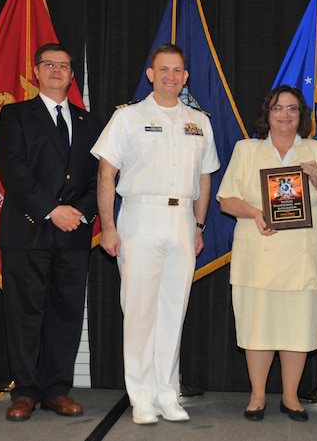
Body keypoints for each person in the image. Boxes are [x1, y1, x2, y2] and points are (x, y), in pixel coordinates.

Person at [91, 44, 220, 425]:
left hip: (181, 218)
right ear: (151, 74)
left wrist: (198, 226)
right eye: (163, 70)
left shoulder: (199, 121)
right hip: (139, 217)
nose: (170, 77)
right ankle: (142, 396)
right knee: (140, 312)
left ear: (186, 77)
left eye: (177, 70)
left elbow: (205, 177)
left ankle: (168, 392)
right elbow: (105, 175)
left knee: (172, 311)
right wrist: (108, 227)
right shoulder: (128, 118)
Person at [217, 85, 317, 422]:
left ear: (301, 114)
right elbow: (226, 199)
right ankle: (257, 395)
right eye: (278, 108)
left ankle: (291, 397)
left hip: (304, 257)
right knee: (257, 325)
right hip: (258, 253)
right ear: (267, 113)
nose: (285, 114)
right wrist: (256, 214)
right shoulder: (246, 150)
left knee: (298, 326)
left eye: (292, 108)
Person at [0, 43, 103, 421]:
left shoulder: (90, 122)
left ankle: (57, 390)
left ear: (73, 75)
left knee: (66, 314)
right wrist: (51, 210)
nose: (57, 70)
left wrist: (80, 213)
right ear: (36, 72)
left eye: (64, 65)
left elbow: (99, 178)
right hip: (27, 232)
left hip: (73, 233)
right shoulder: (14, 115)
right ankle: (24, 392)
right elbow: (13, 170)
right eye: (49, 64)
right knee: (24, 314)